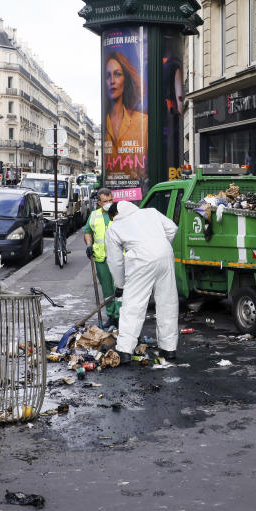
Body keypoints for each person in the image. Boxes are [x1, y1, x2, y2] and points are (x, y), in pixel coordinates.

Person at [105, 200, 179, 363]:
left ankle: (124, 351)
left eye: (111, 218)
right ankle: (169, 349)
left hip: (140, 260)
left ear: (115, 214)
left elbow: (115, 262)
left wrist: (120, 284)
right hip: (165, 255)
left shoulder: (114, 228)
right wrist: (160, 246)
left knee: (133, 306)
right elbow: (172, 228)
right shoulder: (151, 212)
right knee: (167, 303)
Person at [104, 51, 148, 179]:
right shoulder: (104, 127)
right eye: (108, 76)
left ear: (126, 79)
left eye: (117, 74)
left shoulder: (143, 122)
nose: (112, 81)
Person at [84, 188, 121, 328]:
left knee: (119, 287)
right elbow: (87, 232)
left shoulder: (119, 214)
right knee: (107, 290)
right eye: (105, 201)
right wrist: (89, 245)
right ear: (99, 202)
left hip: (118, 258)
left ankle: (120, 316)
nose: (109, 203)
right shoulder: (94, 215)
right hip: (101, 258)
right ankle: (111, 316)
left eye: (111, 200)